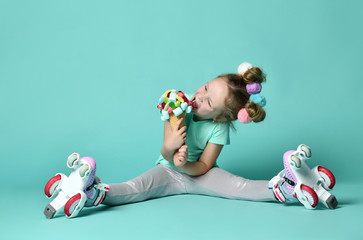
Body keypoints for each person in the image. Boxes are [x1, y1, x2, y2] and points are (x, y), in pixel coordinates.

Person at [85, 62, 298, 211]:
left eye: (209, 103)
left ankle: (284, 188)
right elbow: (165, 153)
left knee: (237, 186)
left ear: (221, 118)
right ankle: (95, 192)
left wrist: (186, 165)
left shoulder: (219, 128)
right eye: (205, 87)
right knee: (136, 188)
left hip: (201, 175)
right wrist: (171, 147)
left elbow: (205, 164)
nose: (200, 96)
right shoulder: (178, 105)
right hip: (167, 171)